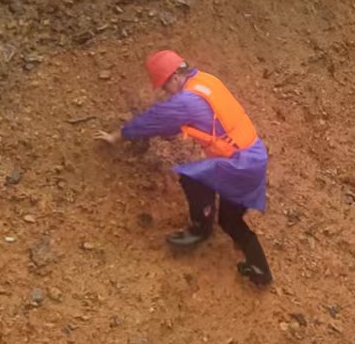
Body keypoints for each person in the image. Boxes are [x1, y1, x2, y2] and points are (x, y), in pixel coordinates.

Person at [108, 50, 272, 287]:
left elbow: (155, 119)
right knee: (229, 219)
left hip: (240, 165)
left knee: (193, 178)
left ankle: (200, 229)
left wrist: (118, 136)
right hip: (253, 157)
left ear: (175, 77)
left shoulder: (188, 100)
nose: (166, 92)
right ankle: (260, 270)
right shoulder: (205, 80)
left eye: (165, 86)